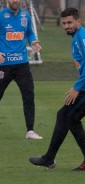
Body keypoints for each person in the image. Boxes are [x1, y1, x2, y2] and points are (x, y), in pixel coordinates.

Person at [29, 7, 85, 171]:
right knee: (68, 116)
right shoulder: (81, 36)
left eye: (69, 22)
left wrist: (77, 87)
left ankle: (49, 158)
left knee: (66, 115)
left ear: (78, 21)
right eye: (64, 23)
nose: (67, 26)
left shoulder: (80, 37)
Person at [0, 0, 42, 139]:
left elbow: (29, 32)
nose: (16, 1)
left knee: (29, 95)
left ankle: (30, 131)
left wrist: (34, 41)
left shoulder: (26, 16)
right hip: (4, 64)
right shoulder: (1, 15)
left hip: (22, 64)